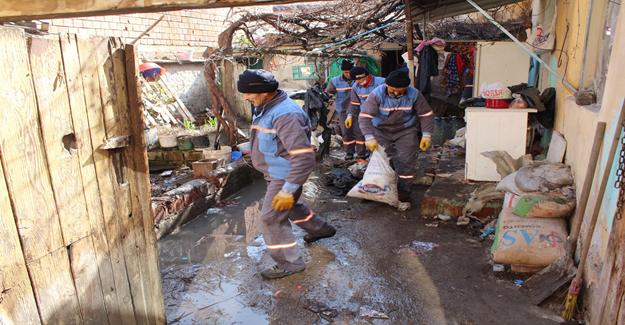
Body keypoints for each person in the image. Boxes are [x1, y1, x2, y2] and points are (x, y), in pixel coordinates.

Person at [237, 69, 336, 279]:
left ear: (264, 91)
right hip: (275, 174)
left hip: (285, 177)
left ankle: (290, 263)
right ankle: (320, 229)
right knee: (290, 208)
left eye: (248, 93)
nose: (245, 97)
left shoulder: (286, 114)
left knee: (270, 219)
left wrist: (288, 189)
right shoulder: (265, 106)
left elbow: (304, 157)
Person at [358, 69, 434, 204]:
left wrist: (426, 135)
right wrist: (369, 137)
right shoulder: (377, 94)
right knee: (379, 160)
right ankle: (374, 190)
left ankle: (404, 192)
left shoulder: (414, 94)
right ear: (387, 85)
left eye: (401, 90)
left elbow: (426, 115)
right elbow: (364, 117)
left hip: (405, 130)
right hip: (381, 131)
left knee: (406, 161)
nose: (397, 93)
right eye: (393, 89)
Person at [346, 66, 385, 159]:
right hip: (368, 118)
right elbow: (354, 103)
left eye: (359, 79)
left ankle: (387, 163)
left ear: (366, 76)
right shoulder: (356, 87)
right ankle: (374, 160)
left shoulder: (381, 83)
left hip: (383, 117)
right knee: (371, 140)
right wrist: (349, 115)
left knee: (384, 141)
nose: (358, 82)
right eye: (355, 80)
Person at [325, 59, 356, 160]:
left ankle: (362, 153)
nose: (348, 74)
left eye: (350, 72)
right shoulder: (335, 81)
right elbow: (328, 93)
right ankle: (349, 153)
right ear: (342, 71)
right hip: (343, 111)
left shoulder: (358, 79)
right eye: (346, 72)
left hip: (358, 110)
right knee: (346, 132)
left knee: (360, 132)